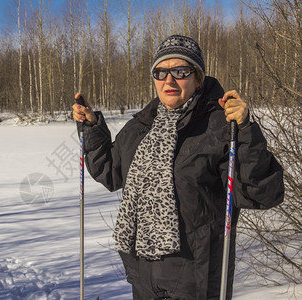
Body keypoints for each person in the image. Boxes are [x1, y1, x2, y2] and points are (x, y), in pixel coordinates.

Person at [72, 35, 284, 299]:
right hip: (144, 276)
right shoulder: (142, 126)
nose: (169, 80)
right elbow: (109, 171)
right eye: (160, 72)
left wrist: (245, 132)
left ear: (198, 78)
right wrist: (92, 127)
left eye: (180, 71)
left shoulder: (221, 126)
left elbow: (262, 193)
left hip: (197, 280)